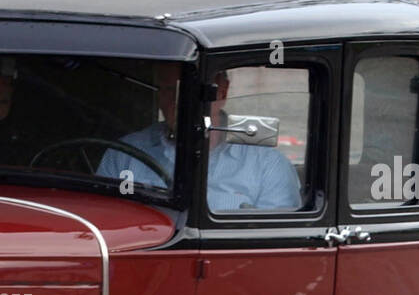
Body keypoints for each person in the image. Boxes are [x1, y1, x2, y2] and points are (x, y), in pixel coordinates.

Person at [97, 65, 302, 211]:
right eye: (169, 90)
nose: (178, 103)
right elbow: (107, 220)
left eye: (191, 91)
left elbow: (271, 244)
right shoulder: (125, 154)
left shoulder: (267, 163)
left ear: (222, 92)